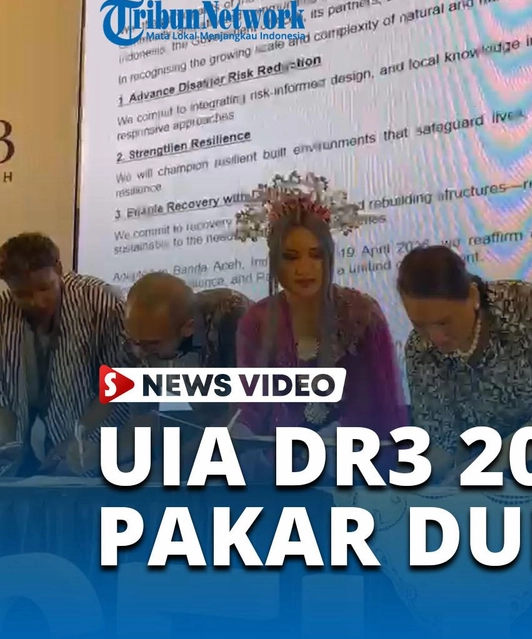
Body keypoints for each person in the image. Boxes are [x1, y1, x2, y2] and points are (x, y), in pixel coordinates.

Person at [234, 175, 408, 443]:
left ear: (329, 256)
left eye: (315, 255)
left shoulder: (361, 314)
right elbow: (252, 408)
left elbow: (382, 407)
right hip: (278, 457)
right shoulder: (257, 321)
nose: (304, 269)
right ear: (275, 261)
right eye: (291, 257)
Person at [401, 245, 532, 480]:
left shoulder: (530, 308)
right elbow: (439, 441)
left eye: (444, 322)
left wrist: (476, 471)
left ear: (473, 296)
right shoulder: (419, 348)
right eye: (419, 325)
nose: (435, 338)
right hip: (474, 469)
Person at [0, 233, 132, 476]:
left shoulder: (100, 301)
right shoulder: (3, 310)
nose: (37, 302)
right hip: (29, 452)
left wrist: (78, 437)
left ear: (59, 269)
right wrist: (7, 445)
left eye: (44, 288)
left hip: (97, 445)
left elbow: (122, 381)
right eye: (22, 294)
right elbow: (3, 395)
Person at [115, 272, 251, 470]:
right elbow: (144, 418)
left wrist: (176, 465)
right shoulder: (139, 340)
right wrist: (105, 454)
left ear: (188, 328)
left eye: (152, 343)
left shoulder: (230, 316)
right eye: (133, 341)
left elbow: (241, 412)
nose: (139, 352)